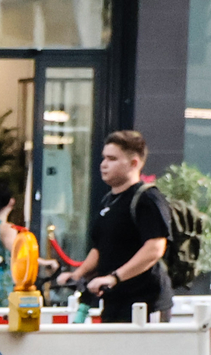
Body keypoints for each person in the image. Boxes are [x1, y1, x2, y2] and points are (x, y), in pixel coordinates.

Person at [70, 129, 173, 323]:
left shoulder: (147, 199)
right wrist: (77, 275)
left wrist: (114, 277)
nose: (103, 165)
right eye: (103, 158)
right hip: (114, 300)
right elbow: (100, 248)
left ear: (134, 163)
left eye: (112, 159)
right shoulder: (108, 201)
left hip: (144, 303)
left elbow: (155, 248)